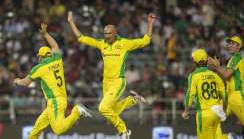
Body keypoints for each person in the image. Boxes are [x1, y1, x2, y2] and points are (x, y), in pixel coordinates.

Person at [68, 11, 155, 139]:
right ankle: (133, 99)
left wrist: (150, 24)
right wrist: (71, 22)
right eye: (105, 34)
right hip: (106, 82)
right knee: (111, 111)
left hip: (118, 81)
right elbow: (81, 38)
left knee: (103, 108)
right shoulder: (102, 44)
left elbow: (145, 41)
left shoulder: (124, 43)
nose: (106, 36)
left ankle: (124, 131)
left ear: (115, 33)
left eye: (109, 34)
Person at [13, 23, 92, 139]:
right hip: (59, 100)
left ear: (42, 57)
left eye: (39, 56)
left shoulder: (39, 68)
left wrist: (17, 81)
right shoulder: (57, 59)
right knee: (36, 129)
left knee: (58, 130)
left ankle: (76, 112)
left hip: (55, 101)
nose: (38, 58)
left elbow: (26, 83)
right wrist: (45, 34)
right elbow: (55, 46)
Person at [209, 36, 244, 135]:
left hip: (238, 95)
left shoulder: (237, 58)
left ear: (239, 46)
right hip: (231, 96)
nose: (229, 45)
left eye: (233, 43)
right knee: (215, 119)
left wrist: (217, 66)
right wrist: (217, 68)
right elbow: (228, 76)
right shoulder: (233, 59)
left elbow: (227, 75)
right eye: (229, 43)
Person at [182, 49, 227, 139]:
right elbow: (225, 94)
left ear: (194, 62)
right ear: (206, 61)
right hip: (217, 111)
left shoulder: (193, 76)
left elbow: (190, 94)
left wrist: (186, 111)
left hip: (204, 113)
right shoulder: (214, 75)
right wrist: (224, 110)